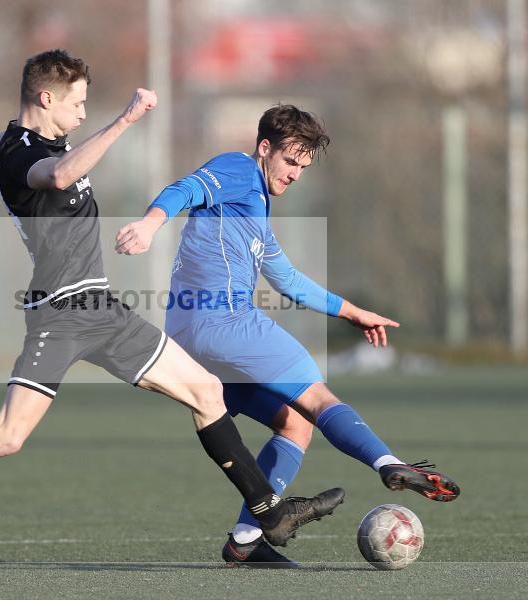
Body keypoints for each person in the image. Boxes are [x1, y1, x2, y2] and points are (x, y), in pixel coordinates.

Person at [0, 52, 345, 559]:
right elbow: (54, 177)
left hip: (102, 309)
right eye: (77, 103)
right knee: (6, 437)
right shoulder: (30, 157)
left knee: (208, 392)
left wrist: (8, 170)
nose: (82, 113)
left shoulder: (21, 146)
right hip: (60, 314)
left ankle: (268, 515)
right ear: (46, 97)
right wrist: (125, 119)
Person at [114, 103, 461, 568]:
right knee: (317, 399)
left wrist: (353, 312)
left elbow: (289, 281)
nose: (296, 173)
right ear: (265, 149)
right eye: (291, 161)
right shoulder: (238, 169)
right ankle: (389, 463)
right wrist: (150, 223)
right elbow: (186, 189)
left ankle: (246, 540)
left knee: (293, 424)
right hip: (226, 324)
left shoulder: (254, 211)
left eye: (304, 166)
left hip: (190, 339)